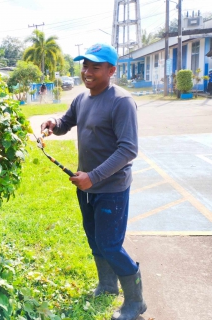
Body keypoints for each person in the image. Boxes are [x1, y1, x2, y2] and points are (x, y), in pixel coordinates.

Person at [41, 43, 147, 320]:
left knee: (110, 245)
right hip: (86, 185)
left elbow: (128, 149)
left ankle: (136, 303)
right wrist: (53, 123)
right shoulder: (82, 98)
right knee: (95, 240)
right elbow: (67, 121)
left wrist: (94, 176)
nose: (87, 72)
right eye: (85, 65)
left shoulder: (121, 102)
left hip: (111, 187)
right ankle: (108, 286)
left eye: (95, 67)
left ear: (111, 70)